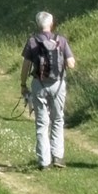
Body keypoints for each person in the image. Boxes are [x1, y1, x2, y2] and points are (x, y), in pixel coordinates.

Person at [20, 10, 75, 168]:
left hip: (39, 84)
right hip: (58, 85)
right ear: (51, 24)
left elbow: (25, 66)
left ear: (38, 25)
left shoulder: (32, 41)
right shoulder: (61, 40)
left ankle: (44, 161)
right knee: (58, 119)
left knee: (42, 123)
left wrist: (23, 84)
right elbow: (71, 64)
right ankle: (57, 157)